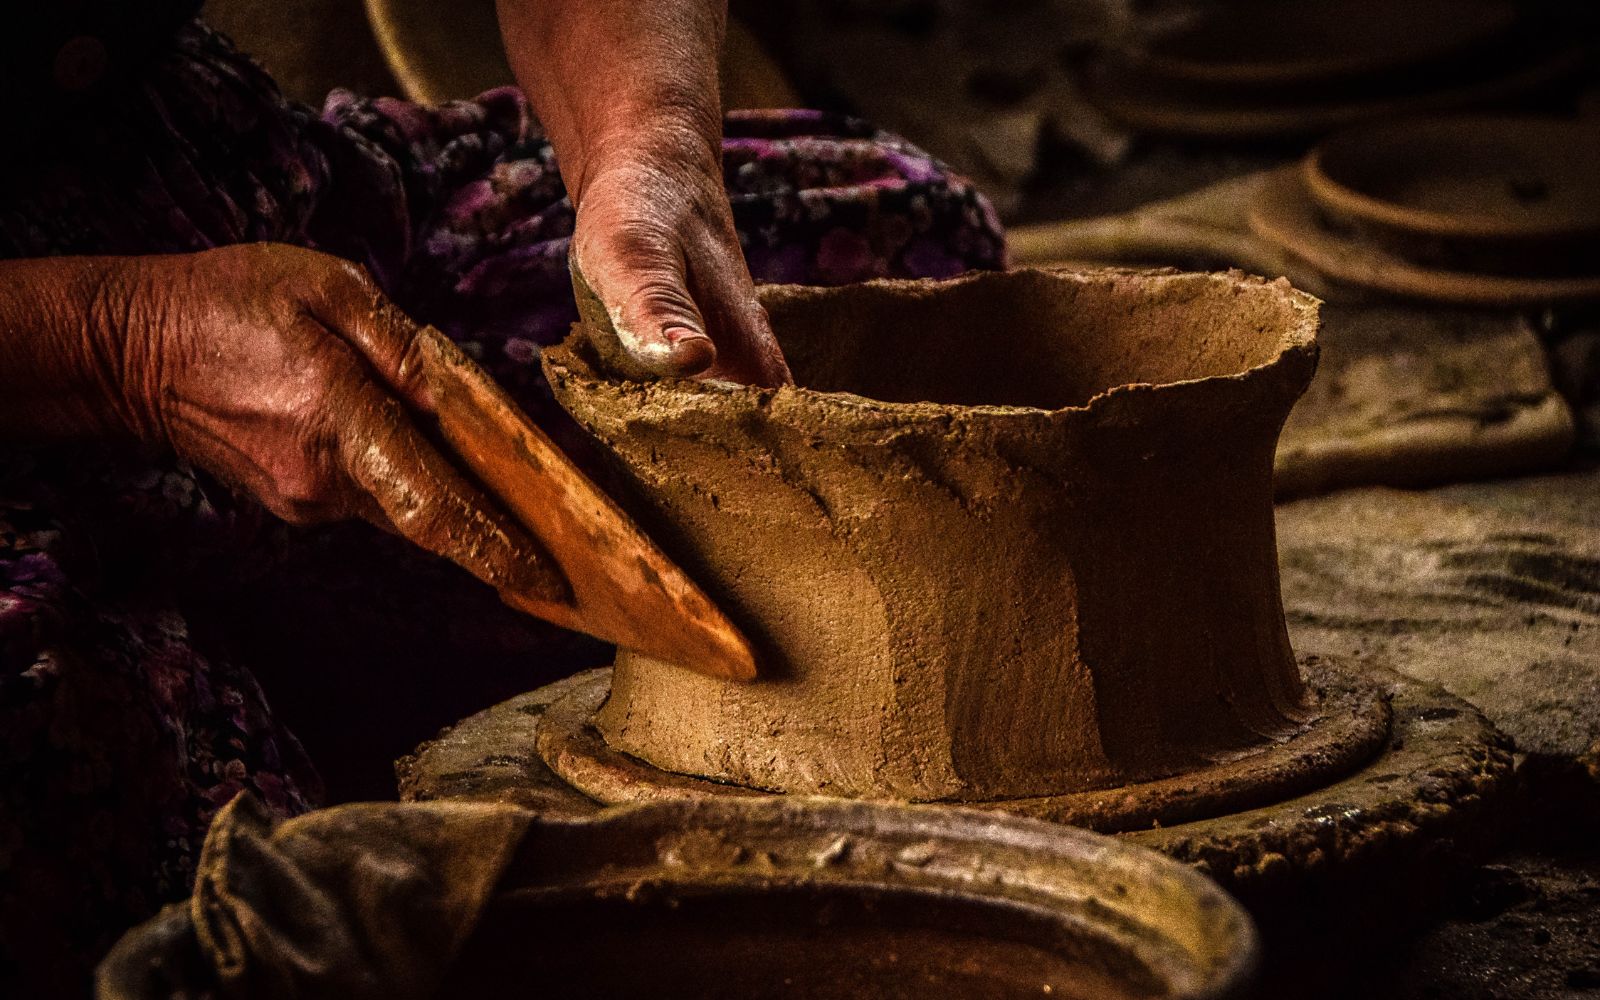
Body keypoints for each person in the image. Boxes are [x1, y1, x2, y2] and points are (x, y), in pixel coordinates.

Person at [0, 0, 1005, 991]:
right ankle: (213, 687)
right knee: (148, 857)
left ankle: (286, 650)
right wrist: (118, 345)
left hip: (221, 195)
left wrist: (646, 154)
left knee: (895, 256)